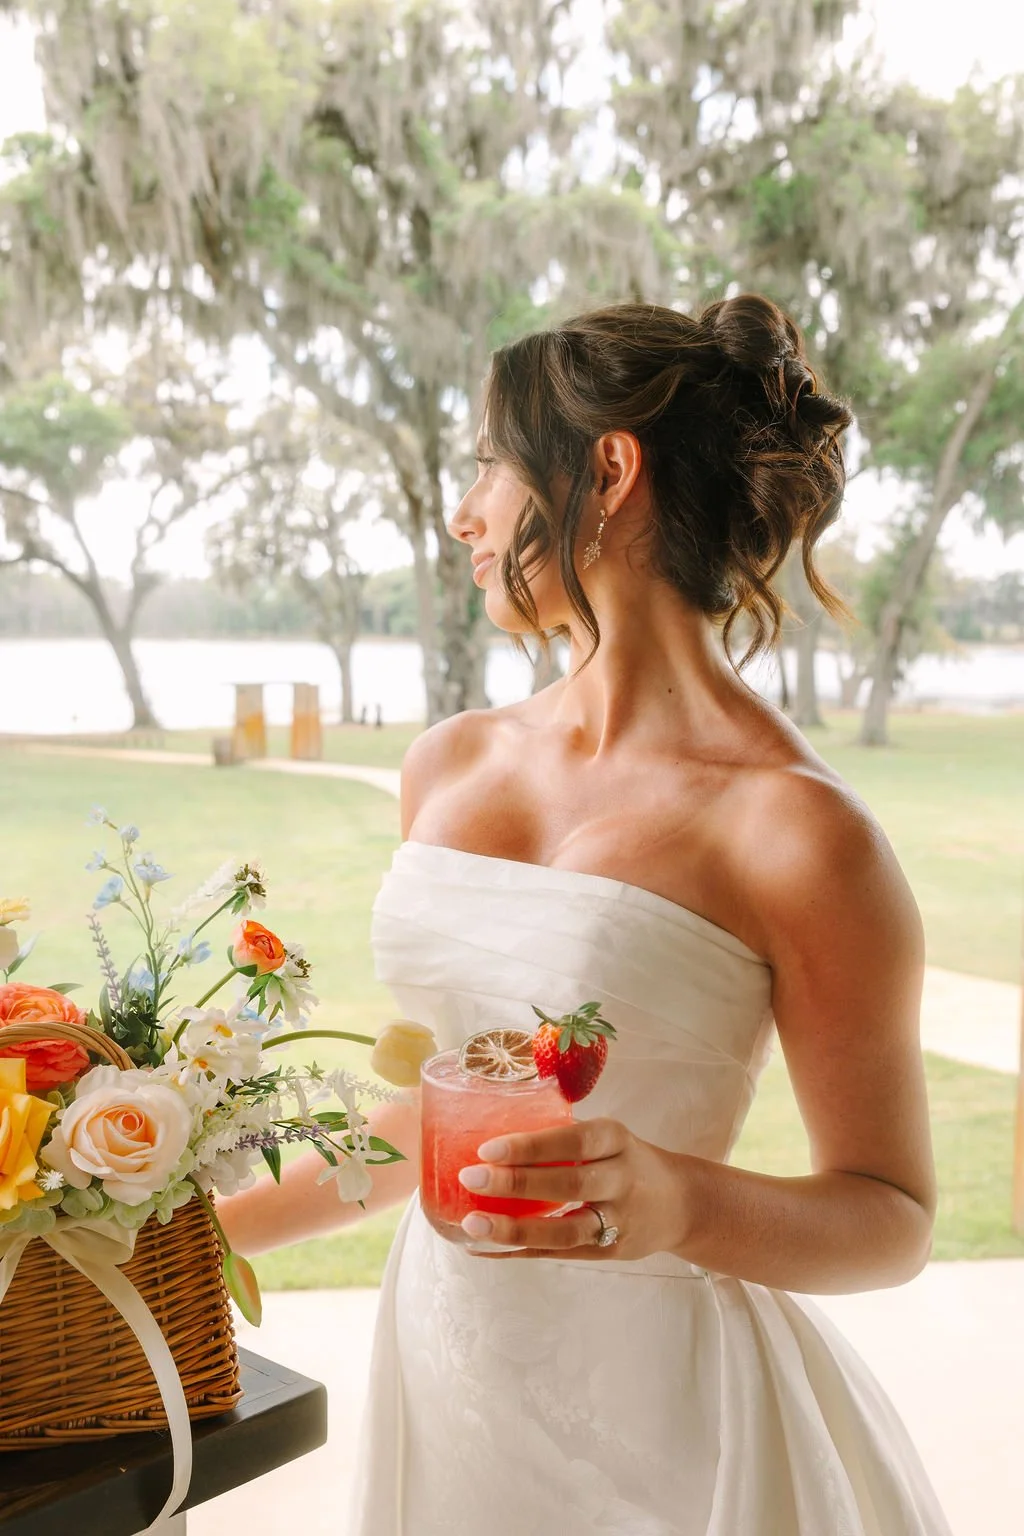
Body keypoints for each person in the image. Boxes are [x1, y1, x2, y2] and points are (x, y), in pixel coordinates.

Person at [220, 294, 954, 1534]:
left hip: (666, 1426)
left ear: (607, 471)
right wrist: (173, 1237)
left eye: (491, 466)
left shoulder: (798, 832)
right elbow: (446, 1114)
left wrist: (681, 1199)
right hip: (447, 1373)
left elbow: (892, 1219)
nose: (464, 514)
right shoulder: (448, 765)